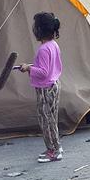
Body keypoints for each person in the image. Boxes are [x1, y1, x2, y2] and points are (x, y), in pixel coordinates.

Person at [19, 12, 63, 163]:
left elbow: (43, 72)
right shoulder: (53, 45)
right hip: (54, 85)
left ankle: (54, 151)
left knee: (46, 120)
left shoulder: (43, 49)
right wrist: (30, 67)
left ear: (39, 30)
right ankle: (54, 147)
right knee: (51, 119)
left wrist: (29, 69)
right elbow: (49, 68)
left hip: (45, 90)